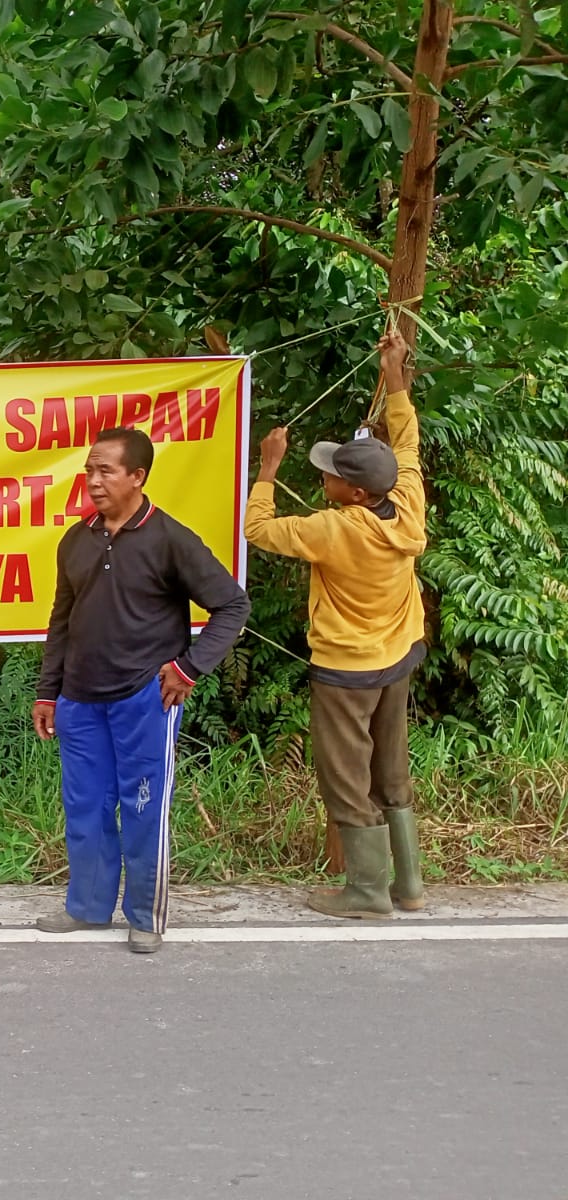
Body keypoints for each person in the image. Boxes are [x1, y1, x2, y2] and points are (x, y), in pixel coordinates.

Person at [32, 427, 250, 953]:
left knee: (144, 808)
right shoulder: (76, 539)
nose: (94, 480)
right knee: (84, 807)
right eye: (89, 470)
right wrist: (48, 691)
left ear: (138, 477)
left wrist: (190, 667)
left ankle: (146, 916)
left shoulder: (169, 539)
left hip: (143, 697)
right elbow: (62, 621)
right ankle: (86, 908)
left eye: (106, 470)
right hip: (81, 700)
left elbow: (232, 606)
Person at [246, 327, 427, 919]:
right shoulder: (406, 499)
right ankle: (409, 887)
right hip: (398, 657)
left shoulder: (333, 528)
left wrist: (268, 469)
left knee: (346, 778)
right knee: (391, 769)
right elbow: (406, 439)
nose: (321, 479)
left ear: (351, 491)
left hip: (346, 671)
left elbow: (259, 530)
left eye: (328, 475)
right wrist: (394, 372)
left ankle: (368, 892)